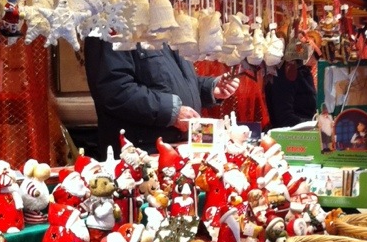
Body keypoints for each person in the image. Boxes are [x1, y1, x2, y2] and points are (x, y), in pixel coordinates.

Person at [84, 38, 239, 157]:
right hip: (142, 155)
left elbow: (172, 83)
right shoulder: (112, 27)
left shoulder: (160, 26)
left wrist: (210, 88)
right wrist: (172, 112)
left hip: (180, 147)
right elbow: (114, 90)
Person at [264, 60, 317, 128]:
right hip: (292, 132)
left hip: (306, 129)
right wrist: (315, 125)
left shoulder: (304, 70)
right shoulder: (286, 72)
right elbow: (284, 118)